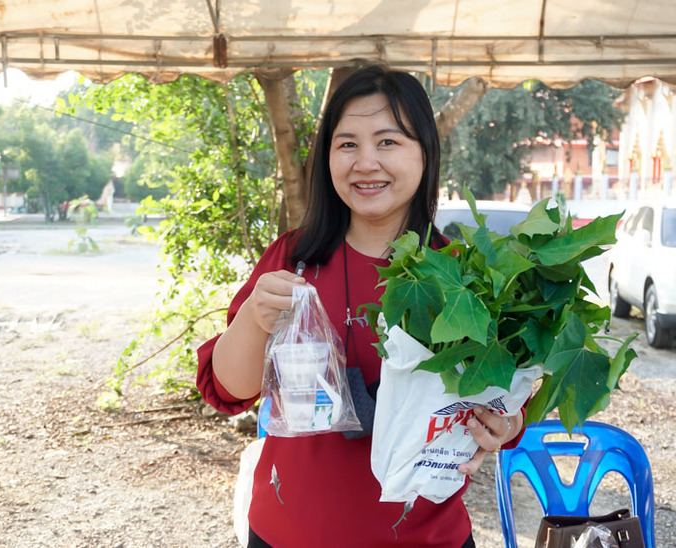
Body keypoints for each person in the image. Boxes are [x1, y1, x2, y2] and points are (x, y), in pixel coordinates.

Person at [196, 65, 526, 547]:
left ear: (425, 152)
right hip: (288, 533)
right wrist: (253, 318)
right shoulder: (293, 259)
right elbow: (231, 390)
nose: (365, 162)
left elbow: (504, 401)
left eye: (388, 142)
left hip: (426, 538)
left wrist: (505, 423)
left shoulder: (464, 275)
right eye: (347, 143)